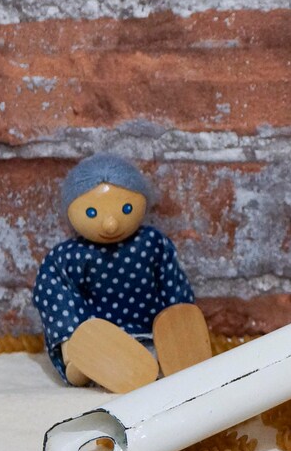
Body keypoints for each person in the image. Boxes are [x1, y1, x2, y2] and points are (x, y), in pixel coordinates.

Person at [31, 153, 211, 391]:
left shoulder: (152, 243)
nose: (111, 224)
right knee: (87, 342)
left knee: (171, 329)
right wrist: (70, 339)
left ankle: (176, 352)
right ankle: (79, 360)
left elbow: (172, 283)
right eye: (92, 213)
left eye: (126, 208)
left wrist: (180, 319)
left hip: (152, 331)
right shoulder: (69, 257)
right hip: (100, 338)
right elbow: (56, 294)